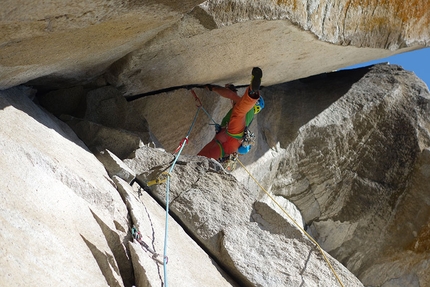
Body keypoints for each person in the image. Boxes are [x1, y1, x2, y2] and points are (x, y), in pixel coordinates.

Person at [198, 67, 264, 161]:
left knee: (239, 111)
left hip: (232, 134)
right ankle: (252, 93)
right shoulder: (250, 114)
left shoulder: (249, 109)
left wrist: (213, 88)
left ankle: (252, 94)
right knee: (199, 159)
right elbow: (233, 99)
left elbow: (232, 96)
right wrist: (232, 90)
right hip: (228, 144)